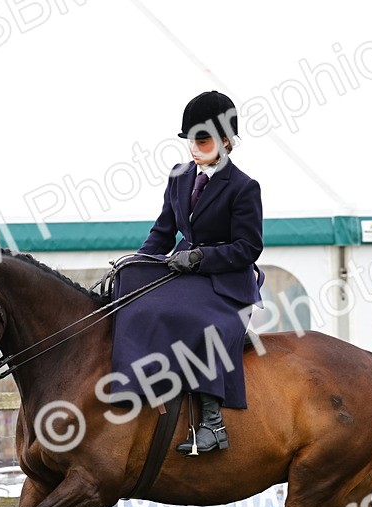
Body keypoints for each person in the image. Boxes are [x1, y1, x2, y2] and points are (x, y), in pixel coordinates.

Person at [112, 90, 264, 456]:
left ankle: (212, 423)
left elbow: (249, 247)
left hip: (225, 280)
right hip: (182, 270)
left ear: (226, 141)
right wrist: (136, 263)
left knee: (190, 317)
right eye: (190, 141)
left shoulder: (244, 187)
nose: (194, 148)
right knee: (128, 292)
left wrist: (199, 258)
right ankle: (134, 385)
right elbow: (163, 231)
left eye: (203, 140)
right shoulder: (179, 177)